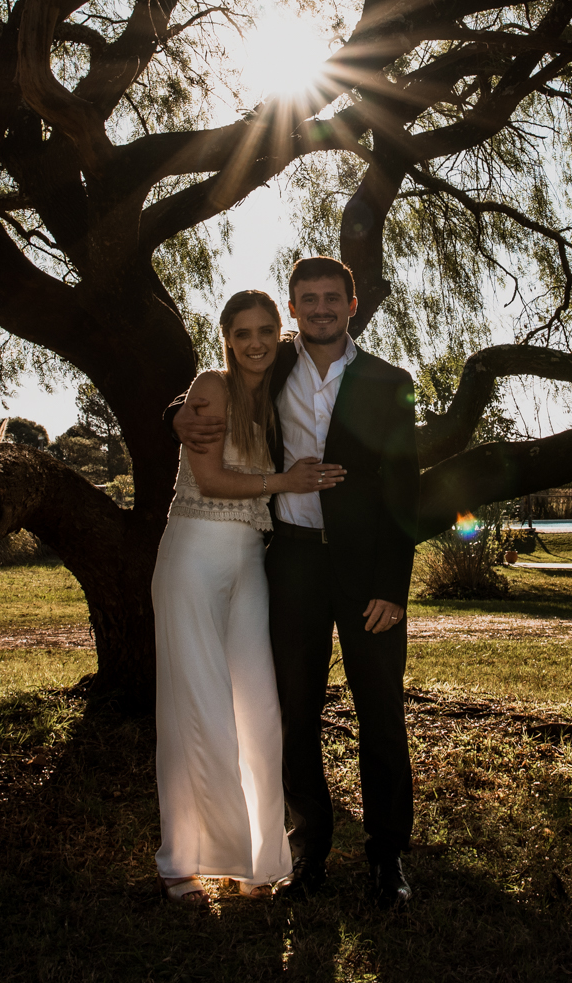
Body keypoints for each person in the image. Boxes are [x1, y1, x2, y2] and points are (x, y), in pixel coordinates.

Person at [172, 257, 423, 910]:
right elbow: (219, 381)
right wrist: (180, 411)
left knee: (381, 710)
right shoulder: (274, 363)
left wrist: (393, 587)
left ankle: (387, 853)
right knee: (293, 710)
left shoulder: (390, 381)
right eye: (306, 298)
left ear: (352, 302)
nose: (319, 308)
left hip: (368, 572)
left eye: (330, 297)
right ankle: (309, 845)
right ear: (292, 307)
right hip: (293, 562)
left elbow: (406, 492)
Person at [154, 289, 342, 904]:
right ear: (227, 338)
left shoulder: (276, 384)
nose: (257, 342)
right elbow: (208, 476)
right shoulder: (210, 385)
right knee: (197, 704)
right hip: (194, 555)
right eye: (243, 333)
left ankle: (256, 857)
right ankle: (185, 857)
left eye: (266, 330)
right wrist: (283, 481)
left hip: (250, 563)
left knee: (258, 709)